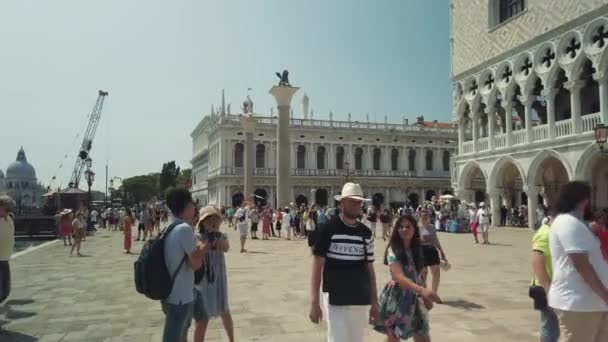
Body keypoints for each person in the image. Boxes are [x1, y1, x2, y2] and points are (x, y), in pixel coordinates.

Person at [309, 183, 379, 342]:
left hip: (358, 296)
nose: (357, 205)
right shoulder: (328, 228)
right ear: (342, 203)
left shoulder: (365, 233)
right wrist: (314, 302)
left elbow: (370, 269)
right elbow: (317, 265)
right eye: (352, 201)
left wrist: (375, 303)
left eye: (359, 201)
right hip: (335, 296)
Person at [548, 181, 608, 342]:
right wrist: (605, 295)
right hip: (578, 303)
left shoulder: (578, 225)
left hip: (594, 302)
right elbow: (581, 265)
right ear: (584, 199)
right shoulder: (567, 222)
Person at [372, 215, 441, 342]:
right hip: (398, 296)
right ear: (397, 230)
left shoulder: (418, 249)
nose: (404, 229)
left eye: (408, 226)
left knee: (423, 335)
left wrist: (425, 296)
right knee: (394, 336)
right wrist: (422, 290)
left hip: (416, 296)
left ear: (415, 229)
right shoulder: (393, 249)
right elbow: (399, 276)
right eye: (401, 227)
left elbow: (420, 275)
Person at [161, 188, 207, 342]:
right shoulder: (184, 229)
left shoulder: (169, 226)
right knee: (173, 336)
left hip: (177, 289)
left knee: (199, 319)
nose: (195, 208)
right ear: (187, 206)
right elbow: (195, 264)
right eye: (193, 204)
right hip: (179, 294)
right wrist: (202, 247)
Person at [194, 206, 234, 342]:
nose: (213, 221)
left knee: (225, 311)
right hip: (204, 279)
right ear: (202, 222)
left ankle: (232, 339)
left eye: (215, 218)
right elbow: (201, 250)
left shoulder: (222, 235)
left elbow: (226, 247)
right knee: (202, 317)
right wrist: (208, 239)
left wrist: (216, 236)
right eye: (209, 219)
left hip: (219, 279)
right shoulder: (197, 236)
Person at [530, 211, 560, 342]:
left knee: (552, 326)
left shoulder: (554, 232)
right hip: (546, 286)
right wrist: (549, 290)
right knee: (549, 327)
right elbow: (537, 262)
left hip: (554, 285)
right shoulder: (545, 234)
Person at [418, 209, 448, 295]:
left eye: (426, 216)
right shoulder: (416, 227)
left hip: (432, 250)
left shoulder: (431, 226)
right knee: (423, 274)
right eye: (422, 216)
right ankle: (424, 292)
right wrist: (419, 239)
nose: (424, 217)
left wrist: (442, 252)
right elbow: (411, 240)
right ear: (419, 216)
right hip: (421, 250)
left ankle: (434, 293)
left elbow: (435, 240)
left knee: (436, 272)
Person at [0, 195, 16, 312]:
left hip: (5, 259)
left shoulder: (9, 218)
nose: (9, 210)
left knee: (5, 290)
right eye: (6, 208)